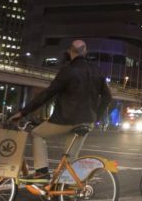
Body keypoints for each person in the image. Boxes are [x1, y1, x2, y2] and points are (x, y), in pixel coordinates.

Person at [10, 40, 112, 179]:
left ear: (70, 52)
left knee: (36, 134)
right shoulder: (97, 71)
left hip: (66, 119)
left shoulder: (68, 70)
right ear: (85, 51)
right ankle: (67, 195)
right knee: (70, 158)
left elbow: (48, 93)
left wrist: (23, 112)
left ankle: (42, 171)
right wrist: (96, 117)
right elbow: (107, 97)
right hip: (87, 120)